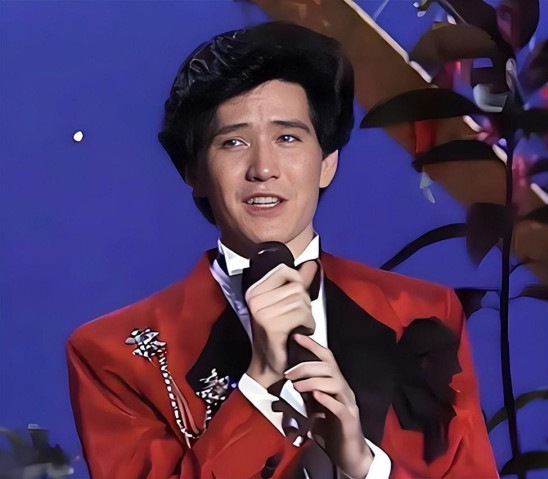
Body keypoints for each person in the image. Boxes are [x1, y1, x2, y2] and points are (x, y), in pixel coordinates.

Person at [66, 22, 498, 479]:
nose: (263, 168)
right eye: (233, 142)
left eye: (287, 137)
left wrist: (364, 466)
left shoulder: (424, 313)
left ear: (327, 162)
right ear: (194, 171)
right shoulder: (110, 355)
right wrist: (259, 383)